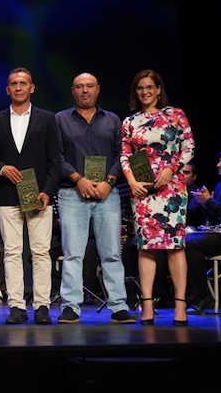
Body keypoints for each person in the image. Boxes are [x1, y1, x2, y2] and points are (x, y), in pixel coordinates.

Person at [54, 72, 135, 324]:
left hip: (106, 194)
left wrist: (109, 182)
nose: (85, 91)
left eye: (89, 86)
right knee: (73, 253)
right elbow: (56, 156)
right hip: (71, 193)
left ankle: (119, 306)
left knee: (111, 252)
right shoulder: (60, 120)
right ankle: (71, 306)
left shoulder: (112, 120)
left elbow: (120, 155)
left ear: (98, 89)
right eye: (80, 86)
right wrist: (78, 179)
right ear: (73, 90)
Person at [120, 69, 195, 326]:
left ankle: (180, 305)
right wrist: (131, 181)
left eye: (150, 87)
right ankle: (147, 305)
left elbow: (189, 147)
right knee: (146, 248)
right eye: (140, 88)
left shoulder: (175, 115)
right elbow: (124, 155)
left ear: (159, 89)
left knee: (175, 246)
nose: (145, 92)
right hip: (142, 191)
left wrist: (171, 168)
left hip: (171, 188)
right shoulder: (130, 121)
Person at [0, 67, 60, 325]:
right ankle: (16, 305)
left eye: (23, 83)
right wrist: (1, 168)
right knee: (12, 252)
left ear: (32, 88)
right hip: (7, 194)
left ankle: (42, 305)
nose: (18, 87)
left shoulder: (48, 119)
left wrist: (47, 191)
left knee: (41, 252)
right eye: (13, 84)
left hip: (38, 196)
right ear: (7, 89)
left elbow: (55, 160)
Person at [186, 148, 221, 314]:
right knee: (187, 239)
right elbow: (217, 217)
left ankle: (202, 296)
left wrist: (209, 202)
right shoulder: (220, 186)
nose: (218, 165)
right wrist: (205, 204)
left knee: (192, 244)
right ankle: (196, 294)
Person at [184, 162, 207, 228]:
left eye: (186, 173)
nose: (182, 175)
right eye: (179, 173)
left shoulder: (198, 192)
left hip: (192, 231)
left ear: (194, 177)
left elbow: (188, 213)